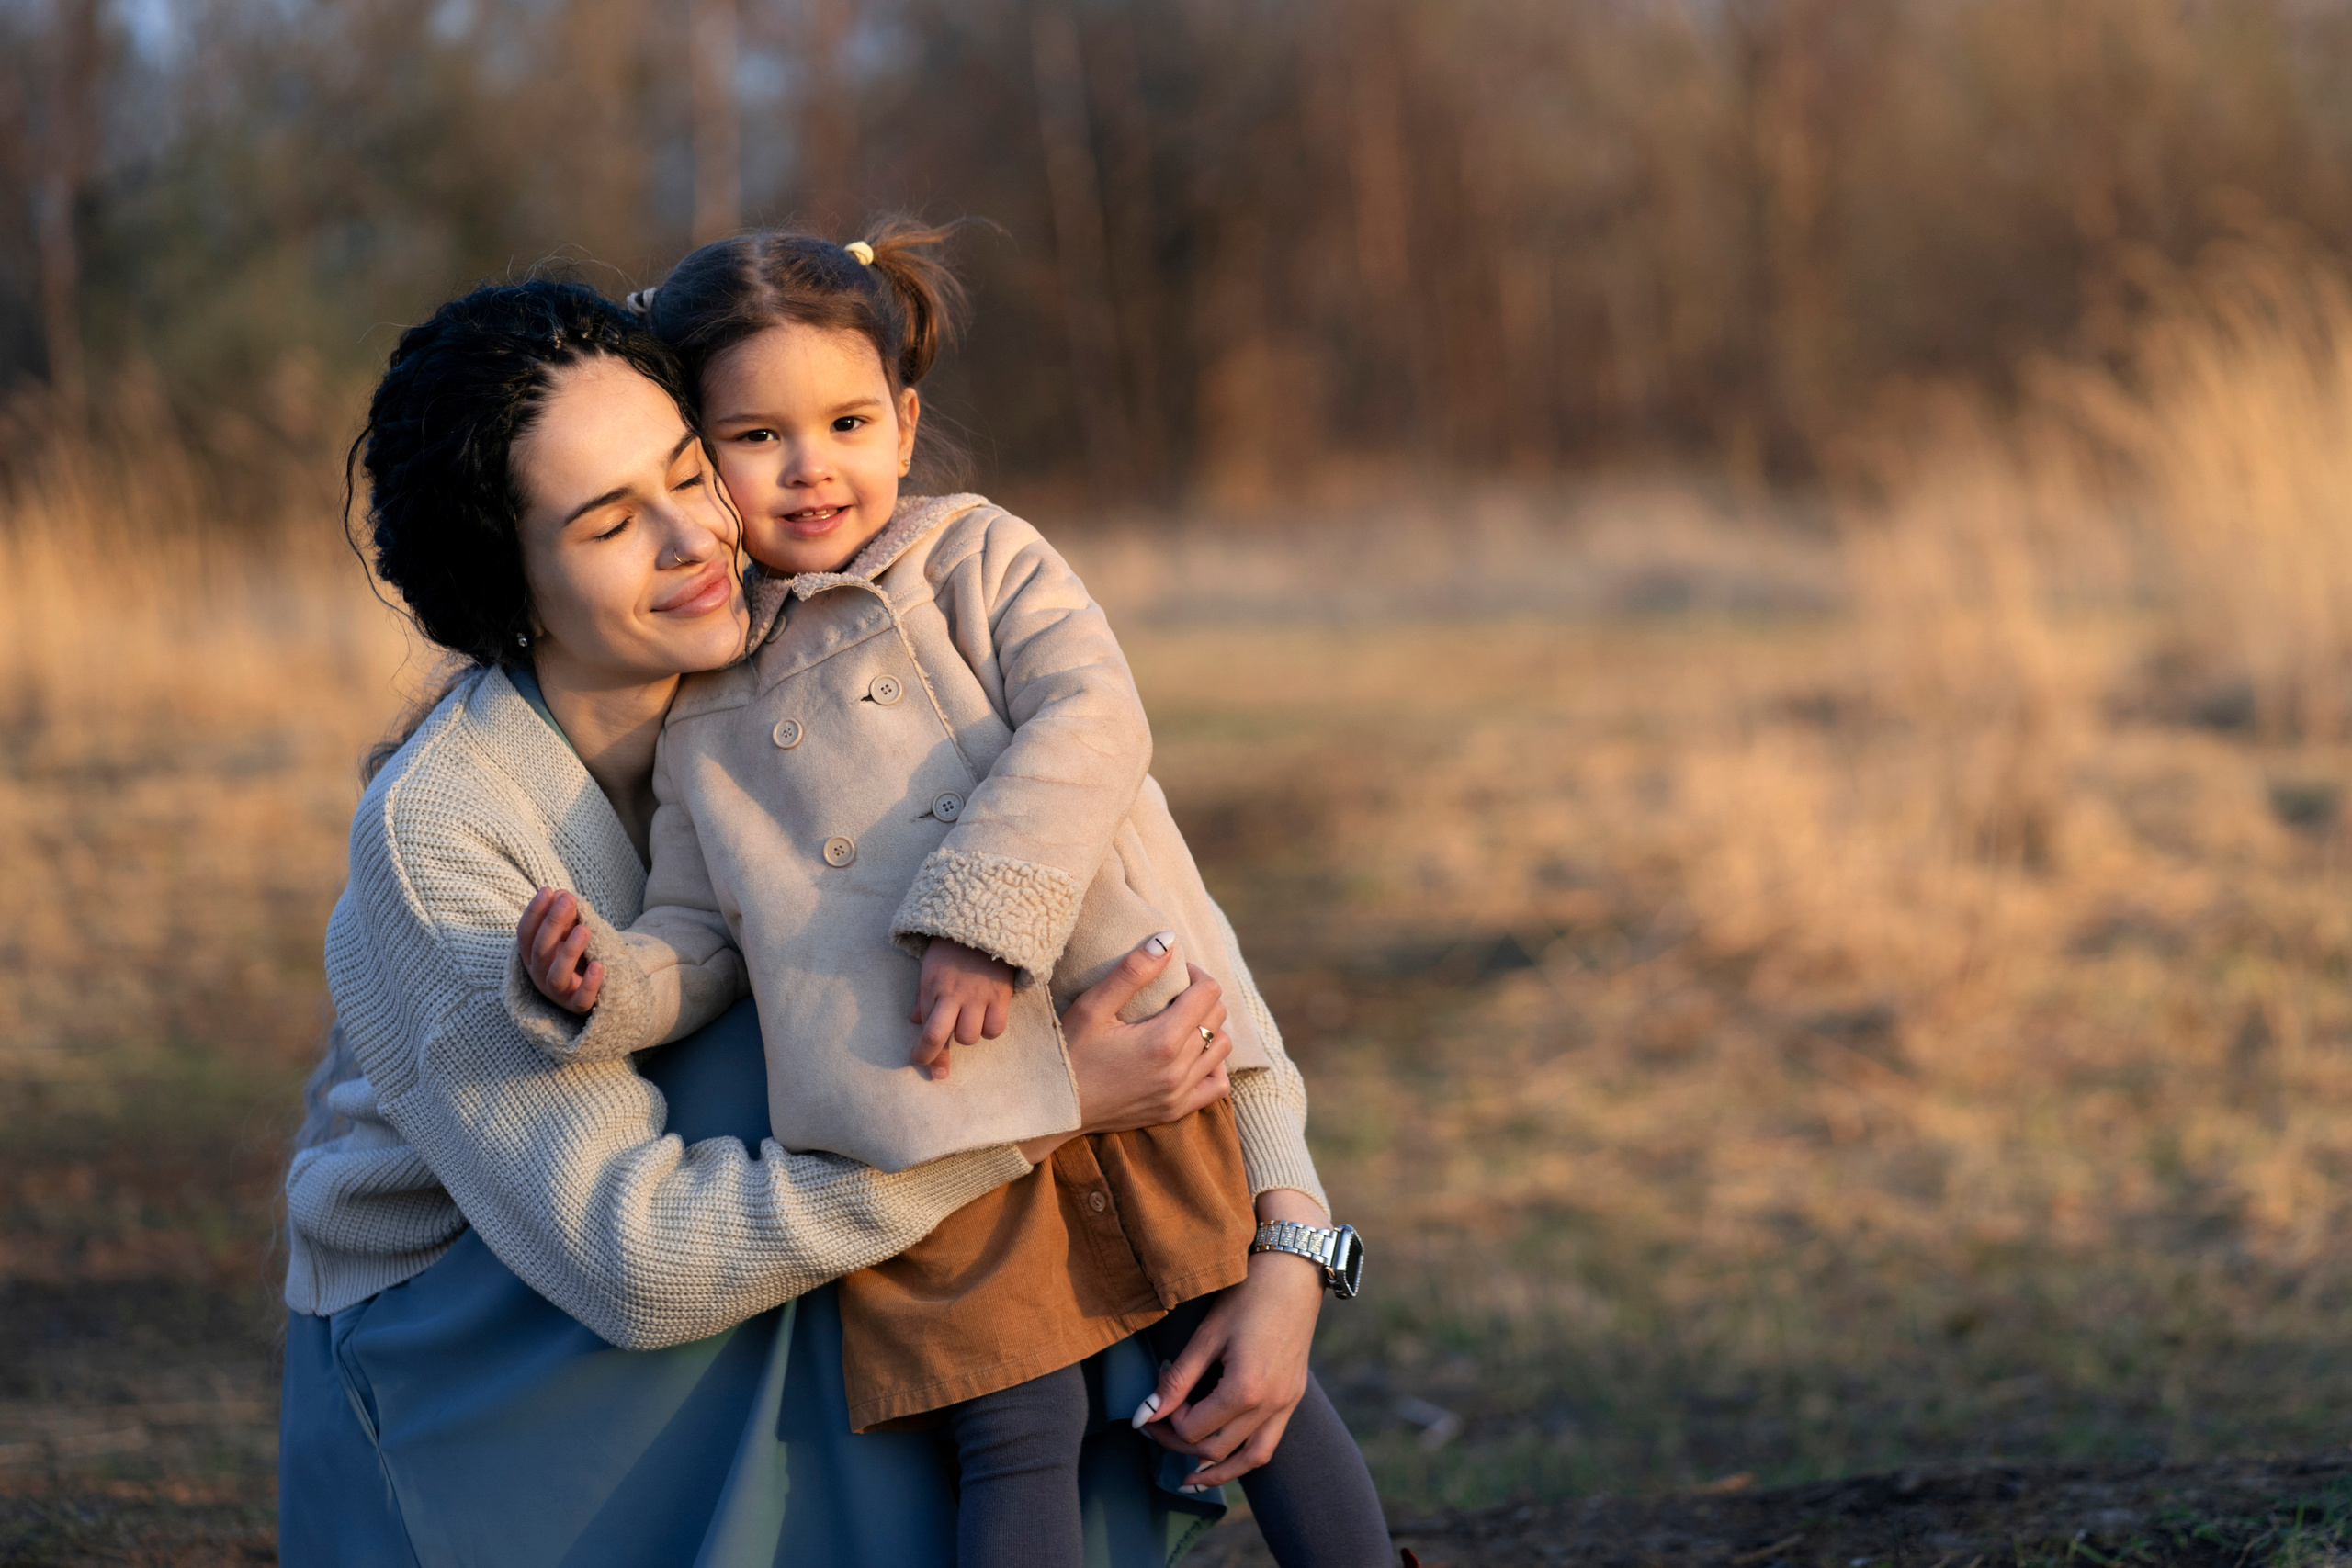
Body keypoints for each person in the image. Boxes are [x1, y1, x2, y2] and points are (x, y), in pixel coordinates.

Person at [279, 276, 1350, 1567]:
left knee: (954, 989)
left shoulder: (837, 642)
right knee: (871, 1040)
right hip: (504, 1349)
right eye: (613, 522)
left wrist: (1289, 1247)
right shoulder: (446, 828)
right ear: (507, 584)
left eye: (688, 472)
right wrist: (1040, 1104)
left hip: (760, 1257)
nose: (695, 540)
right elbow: (633, 1258)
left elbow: (1156, 932)